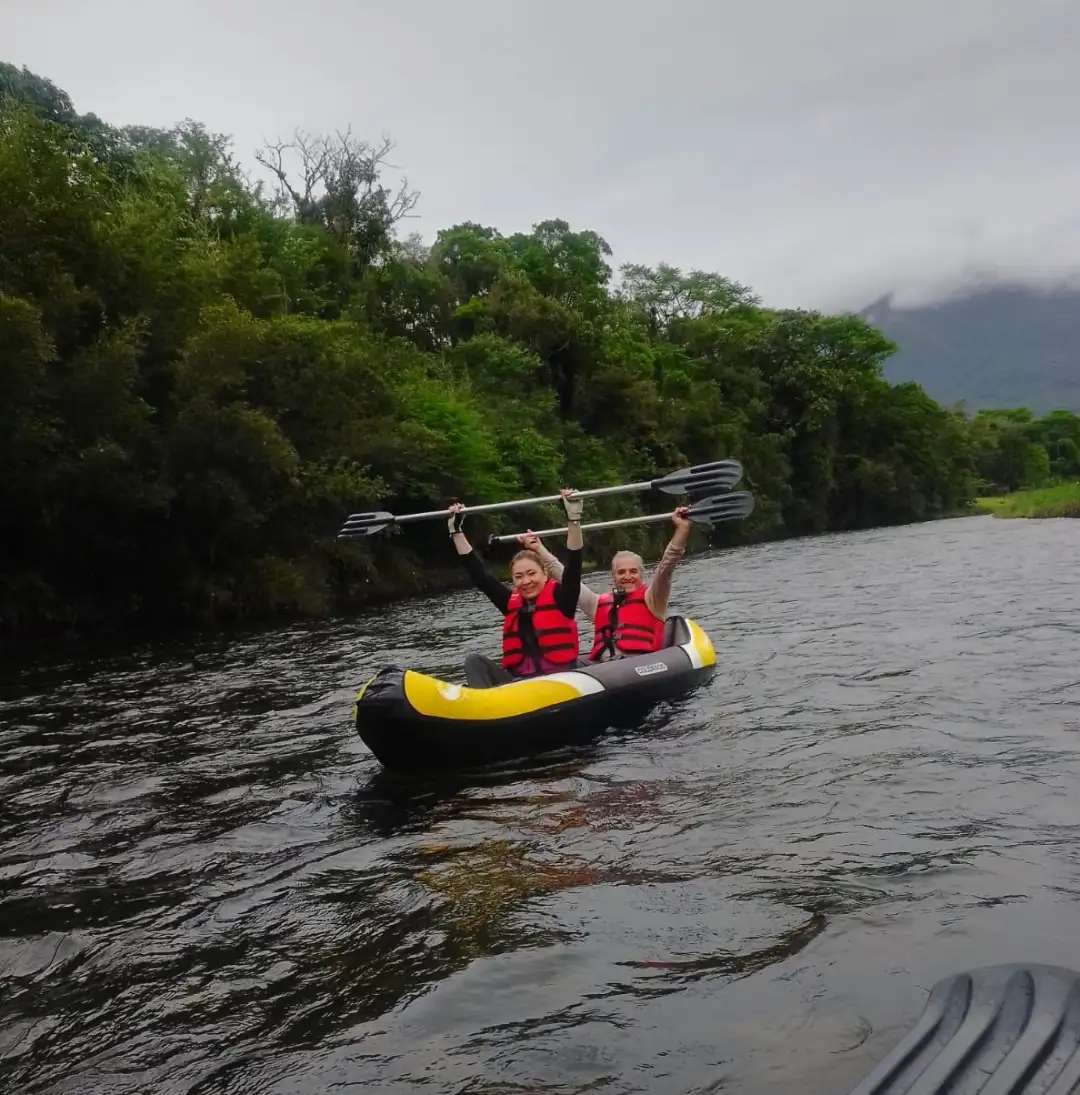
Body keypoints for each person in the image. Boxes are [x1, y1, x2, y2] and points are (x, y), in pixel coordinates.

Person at [449, 488, 585, 688]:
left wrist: (574, 520)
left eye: (532, 574)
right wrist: (456, 532)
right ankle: (484, 709)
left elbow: (574, 563)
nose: (526, 581)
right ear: (513, 581)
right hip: (519, 687)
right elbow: (481, 577)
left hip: (560, 683)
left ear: (544, 574)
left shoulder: (562, 597)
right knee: (473, 661)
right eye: (519, 577)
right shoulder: (510, 602)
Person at [521, 505, 692, 662]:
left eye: (633, 571)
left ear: (642, 575)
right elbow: (564, 575)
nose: (627, 576)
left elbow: (667, 565)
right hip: (604, 669)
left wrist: (682, 529)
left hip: (640, 664)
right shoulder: (596, 603)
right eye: (621, 572)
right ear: (613, 577)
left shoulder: (653, 598)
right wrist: (538, 549)